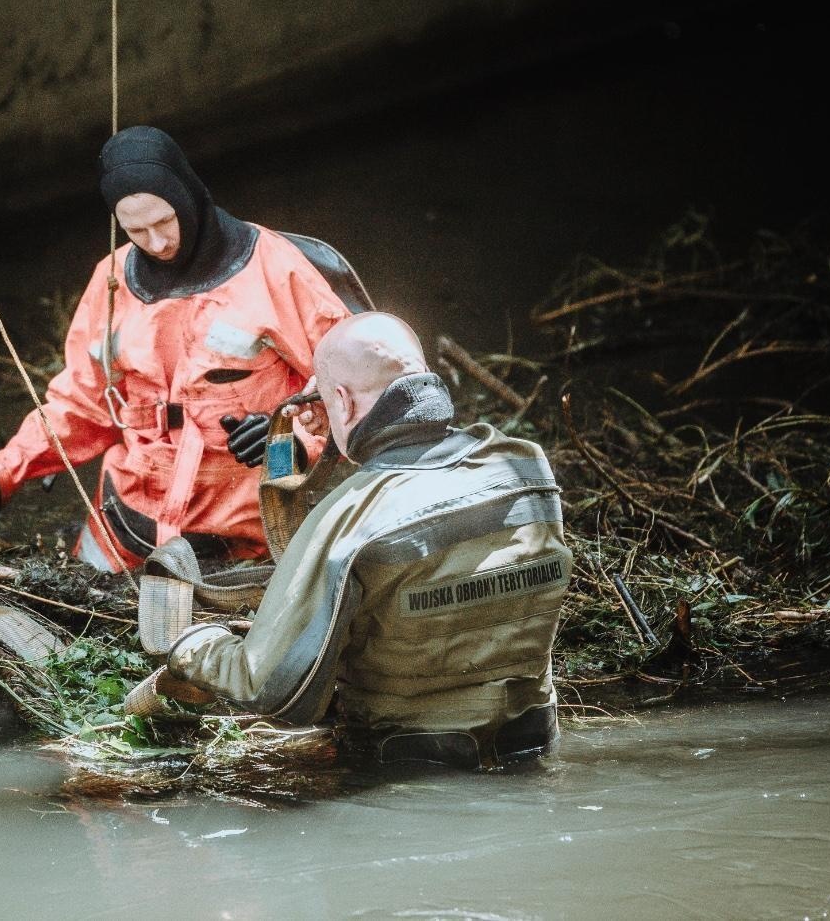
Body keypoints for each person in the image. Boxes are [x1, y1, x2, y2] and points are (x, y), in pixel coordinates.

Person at [149, 312, 574, 768]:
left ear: (343, 401)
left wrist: (192, 646)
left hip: (409, 768)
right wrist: (337, 421)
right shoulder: (525, 465)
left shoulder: (349, 516)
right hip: (532, 745)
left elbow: (268, 688)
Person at [0, 125, 362, 571]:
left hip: (251, 536)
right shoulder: (112, 281)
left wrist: (286, 440)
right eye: (136, 230)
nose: (157, 243)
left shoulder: (274, 269)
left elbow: (350, 387)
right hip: (127, 525)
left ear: (188, 198)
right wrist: (0, 476)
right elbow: (82, 404)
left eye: (164, 222)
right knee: (76, 605)